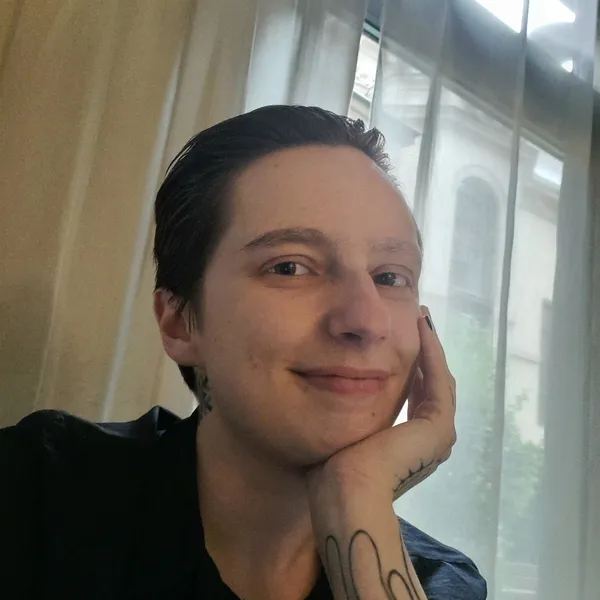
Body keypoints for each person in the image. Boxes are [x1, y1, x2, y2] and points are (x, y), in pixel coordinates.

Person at [0, 106, 487, 600]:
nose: (366, 320)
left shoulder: (439, 582)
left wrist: (358, 491)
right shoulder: (38, 491)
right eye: (290, 267)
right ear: (179, 321)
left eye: (390, 277)